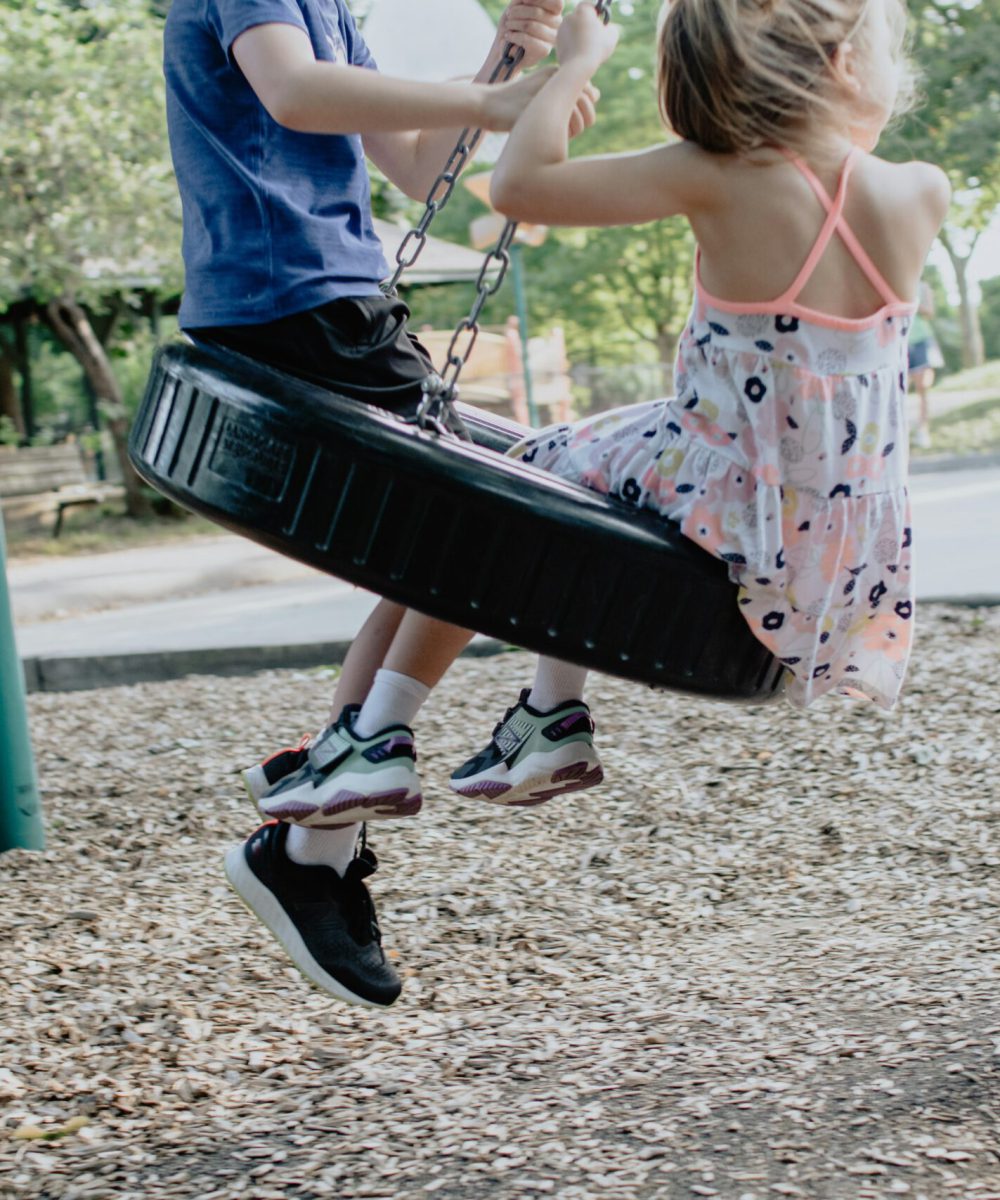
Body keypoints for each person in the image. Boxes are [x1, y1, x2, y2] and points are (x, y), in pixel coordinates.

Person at [236, 0, 951, 1009]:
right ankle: (542, 713)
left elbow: (519, 186)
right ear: (839, 64)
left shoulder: (713, 174)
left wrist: (572, 65)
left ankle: (391, 727)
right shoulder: (918, 191)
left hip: (719, 494)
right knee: (575, 484)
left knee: (521, 485)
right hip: (832, 561)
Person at [162, 0, 601, 1009]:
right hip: (294, 305)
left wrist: (517, 59)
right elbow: (292, 92)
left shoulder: (331, 11)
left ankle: (318, 838)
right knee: (491, 526)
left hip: (334, 304)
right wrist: (494, 95)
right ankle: (326, 833)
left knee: (443, 555)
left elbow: (417, 171)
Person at [907, 280, 943, 448]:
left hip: (921, 340)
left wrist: (911, 303)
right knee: (901, 390)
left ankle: (923, 430)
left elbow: (929, 312)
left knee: (923, 388)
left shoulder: (923, 286)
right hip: (900, 341)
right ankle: (902, 430)